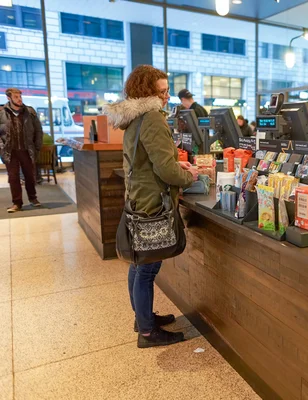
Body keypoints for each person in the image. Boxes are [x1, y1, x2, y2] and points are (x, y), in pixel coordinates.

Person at [104, 65, 199, 349]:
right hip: (153, 203)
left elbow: (148, 160)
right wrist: (188, 175)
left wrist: (173, 163)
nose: (167, 96)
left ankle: (142, 319)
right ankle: (147, 333)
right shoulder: (153, 118)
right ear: (147, 93)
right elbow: (166, 172)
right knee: (146, 268)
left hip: (138, 197)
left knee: (139, 263)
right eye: (162, 91)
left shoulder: (135, 118)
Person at [0, 88, 43, 213]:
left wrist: (37, 147)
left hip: (26, 150)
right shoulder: (2, 113)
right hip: (10, 151)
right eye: (16, 97)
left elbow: (38, 131)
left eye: (20, 96)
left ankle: (33, 198)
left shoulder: (29, 112)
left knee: (30, 175)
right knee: (13, 177)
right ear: (9, 98)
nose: (19, 99)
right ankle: (17, 203)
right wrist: (2, 148)